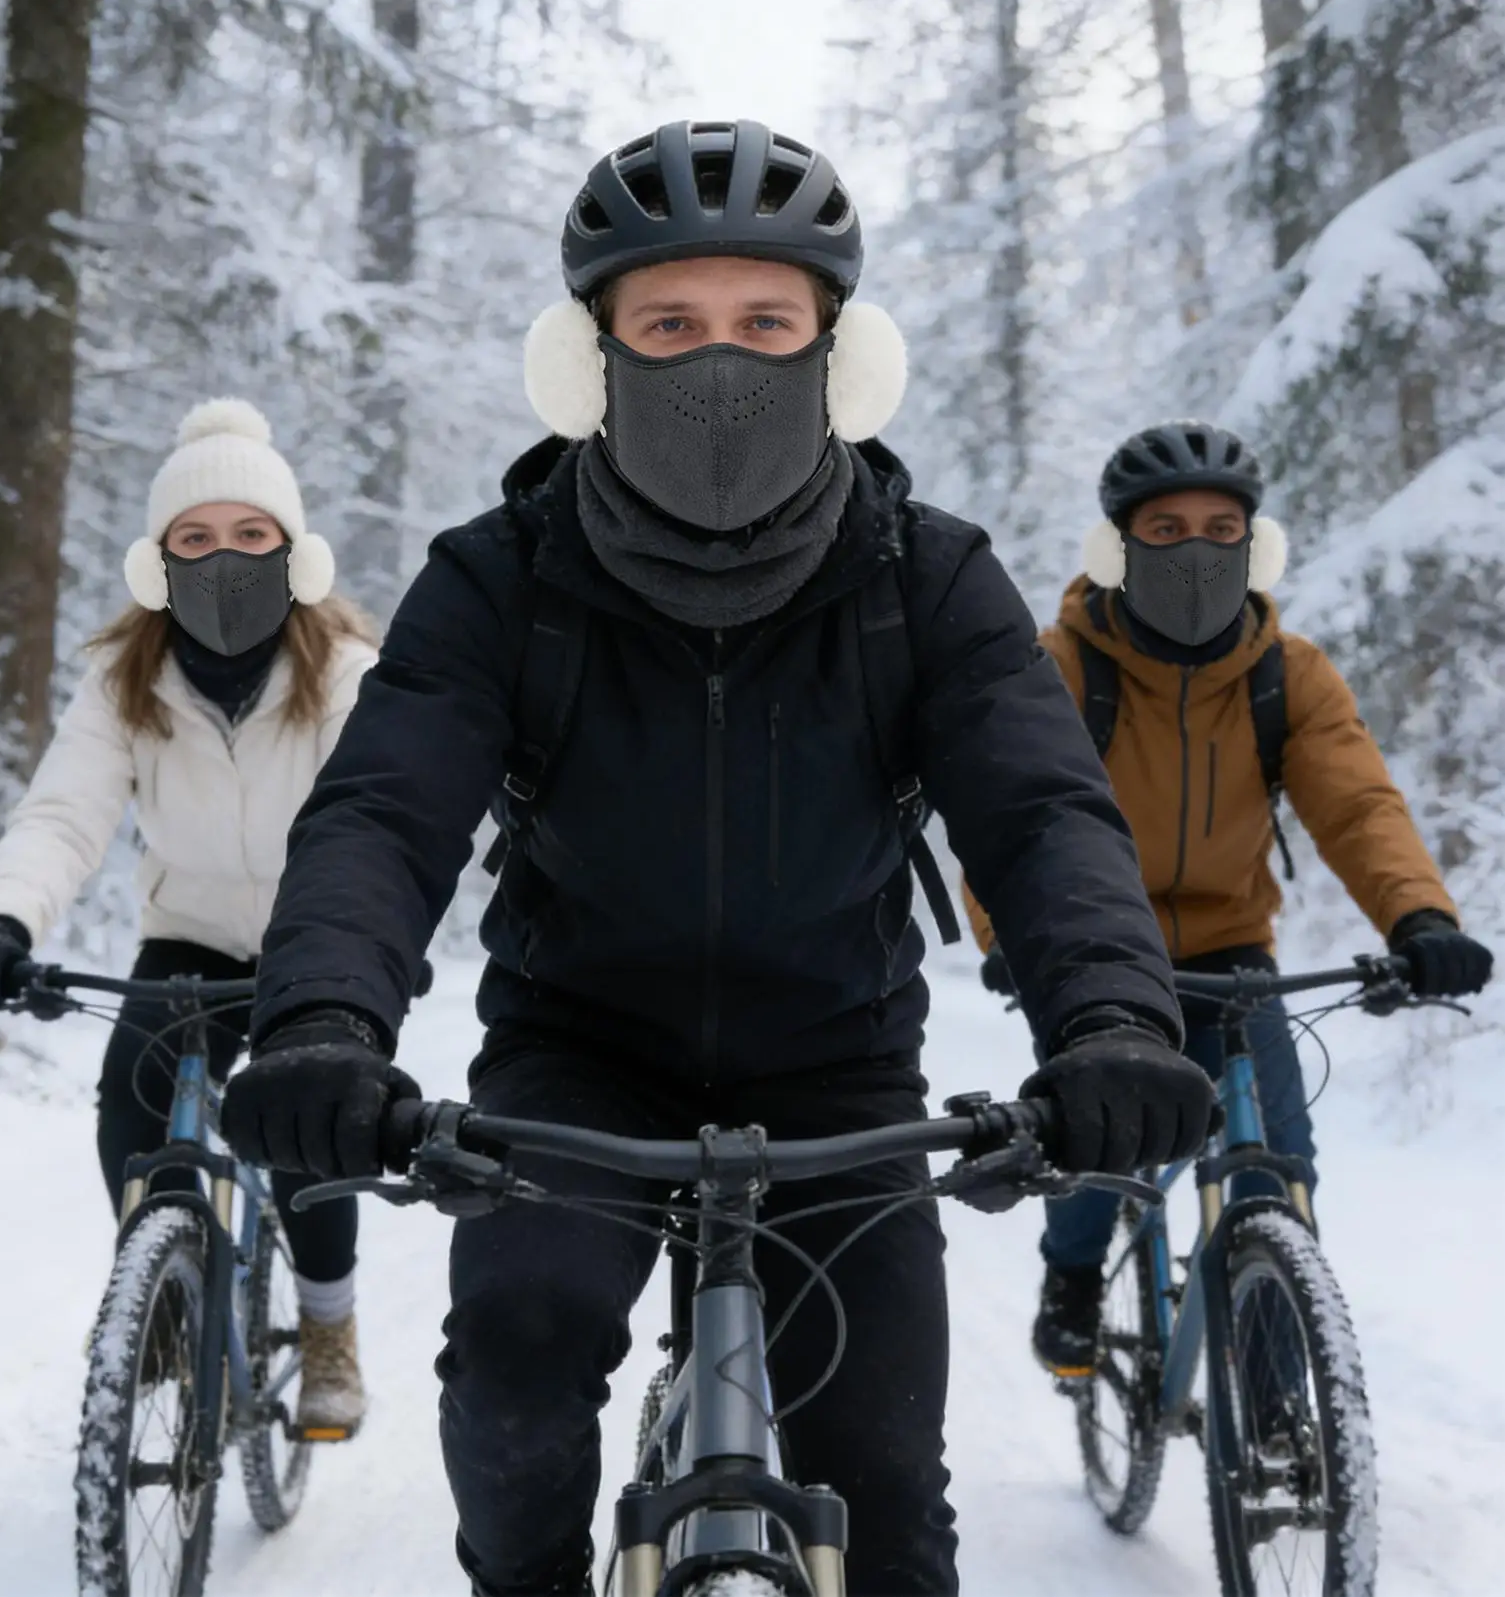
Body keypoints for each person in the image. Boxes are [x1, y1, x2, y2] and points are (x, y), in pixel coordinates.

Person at [219, 121, 1218, 1597]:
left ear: (837, 353)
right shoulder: (498, 577)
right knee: (511, 1380)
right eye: (669, 326)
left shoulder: (924, 575)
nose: (720, 365)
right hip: (576, 1065)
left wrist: (1113, 1018)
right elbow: (382, 809)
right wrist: (320, 1022)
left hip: (838, 1070)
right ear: (592, 360)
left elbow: (1042, 810)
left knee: (883, 1495)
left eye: (765, 324)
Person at [963, 419, 1494, 1379]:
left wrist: (1419, 918)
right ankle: (1073, 1274)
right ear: (1117, 546)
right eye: (1163, 530)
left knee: (1274, 1163)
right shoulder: (1062, 667)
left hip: (1232, 951)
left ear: (1255, 545)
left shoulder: (1287, 675)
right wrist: (1011, 934)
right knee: (1096, 1137)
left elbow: (1357, 803)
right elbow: (1012, 808)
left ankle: (1281, 1387)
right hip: (1094, 953)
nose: (1195, 549)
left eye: (1220, 527)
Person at [0, 398, 381, 1437]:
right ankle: (164, 1294)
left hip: (318, 945)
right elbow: (63, 812)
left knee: (312, 1127)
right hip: (189, 937)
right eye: (195, 537)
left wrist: (366, 951)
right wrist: (2, 920)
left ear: (292, 550)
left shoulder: (345, 675)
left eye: (250, 534)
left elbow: (374, 825)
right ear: (158, 560)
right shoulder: (124, 679)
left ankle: (326, 1329)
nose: (224, 556)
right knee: (130, 1101)